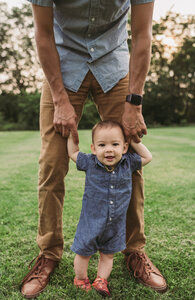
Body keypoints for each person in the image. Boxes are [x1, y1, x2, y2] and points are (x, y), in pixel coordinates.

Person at [21, 0, 167, 298]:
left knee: (129, 162)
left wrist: (134, 101)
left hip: (114, 65)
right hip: (62, 67)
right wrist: (60, 100)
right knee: (52, 165)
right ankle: (48, 254)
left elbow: (142, 34)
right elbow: (43, 34)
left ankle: (134, 251)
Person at [68, 120, 152, 297]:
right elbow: (73, 152)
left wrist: (135, 141)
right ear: (93, 148)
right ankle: (80, 279)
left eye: (115, 144)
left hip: (115, 223)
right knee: (84, 252)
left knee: (108, 254)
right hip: (90, 222)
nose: (108, 149)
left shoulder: (128, 163)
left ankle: (101, 280)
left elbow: (147, 157)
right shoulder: (89, 162)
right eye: (102, 145)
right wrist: (71, 134)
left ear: (124, 147)